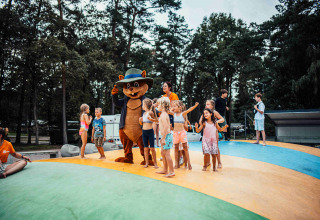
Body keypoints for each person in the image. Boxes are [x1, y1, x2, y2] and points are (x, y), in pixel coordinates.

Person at [172, 100, 199, 170]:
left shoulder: (182, 114)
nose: (173, 107)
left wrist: (195, 106)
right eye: (173, 106)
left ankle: (189, 164)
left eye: (175, 106)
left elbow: (189, 110)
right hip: (175, 133)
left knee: (185, 147)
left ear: (180, 108)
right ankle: (176, 164)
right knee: (176, 148)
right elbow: (166, 111)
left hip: (182, 133)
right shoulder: (173, 114)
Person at [156, 97, 175, 178]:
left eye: (158, 105)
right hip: (165, 136)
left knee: (167, 154)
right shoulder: (163, 114)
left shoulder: (163, 115)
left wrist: (163, 138)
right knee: (163, 153)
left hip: (166, 136)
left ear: (163, 106)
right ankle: (165, 170)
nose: (157, 106)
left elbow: (166, 126)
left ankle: (171, 171)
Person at [139, 98, 159, 168]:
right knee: (145, 148)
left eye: (143, 104)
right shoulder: (144, 113)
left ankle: (155, 163)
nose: (142, 106)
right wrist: (140, 121)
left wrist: (151, 119)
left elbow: (156, 120)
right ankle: (146, 163)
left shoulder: (151, 113)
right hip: (144, 132)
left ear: (145, 105)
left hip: (150, 132)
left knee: (152, 148)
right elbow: (141, 124)